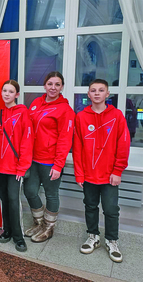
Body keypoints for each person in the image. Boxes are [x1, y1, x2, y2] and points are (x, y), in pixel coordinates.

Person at [73, 79, 130, 263]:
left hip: (109, 175)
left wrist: (118, 170)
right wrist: (79, 173)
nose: (97, 93)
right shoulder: (81, 117)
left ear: (107, 94)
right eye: (93, 90)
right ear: (88, 95)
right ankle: (93, 236)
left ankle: (112, 241)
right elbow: (78, 147)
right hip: (88, 175)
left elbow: (123, 145)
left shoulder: (117, 116)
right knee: (90, 207)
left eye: (101, 90)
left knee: (111, 209)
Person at [23, 71, 75, 243]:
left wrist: (58, 165)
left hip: (50, 161)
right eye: (50, 84)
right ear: (44, 85)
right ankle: (39, 222)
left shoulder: (65, 110)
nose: (53, 87)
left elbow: (65, 139)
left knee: (51, 195)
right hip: (33, 159)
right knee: (30, 191)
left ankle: (49, 227)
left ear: (62, 87)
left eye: (57, 84)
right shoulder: (36, 103)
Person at [0, 80, 33, 252]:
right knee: (4, 200)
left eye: (10, 91)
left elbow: (27, 141)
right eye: (4, 91)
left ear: (17, 95)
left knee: (14, 201)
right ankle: (7, 230)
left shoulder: (23, 113)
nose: (7, 94)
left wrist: (22, 167)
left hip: (15, 168)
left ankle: (18, 236)